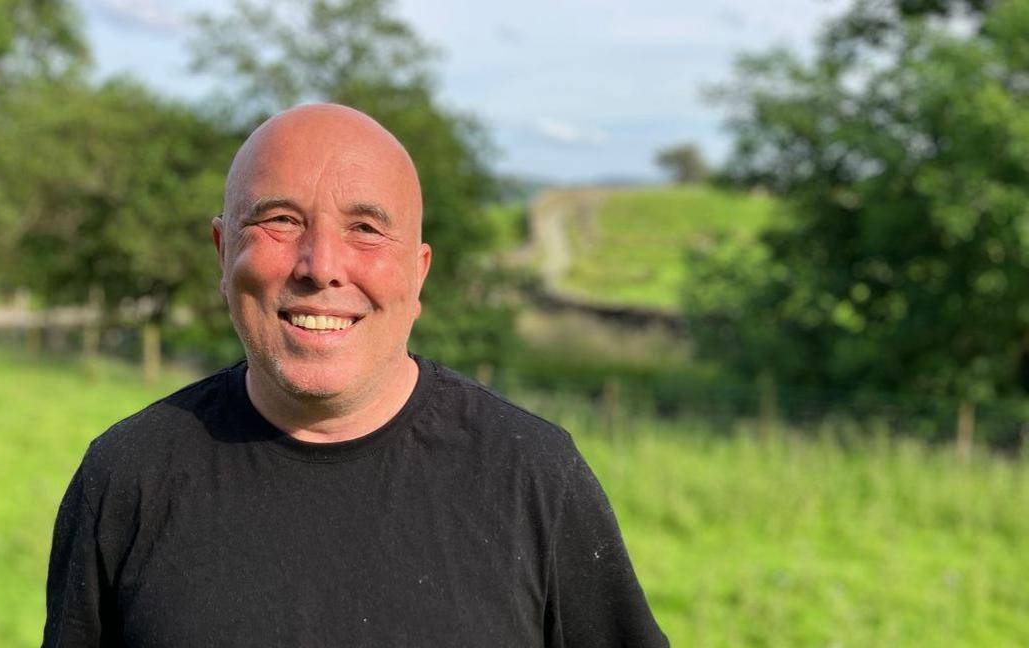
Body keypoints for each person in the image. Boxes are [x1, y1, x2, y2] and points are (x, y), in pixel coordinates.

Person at [42, 104, 669, 647]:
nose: (321, 267)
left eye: (366, 230)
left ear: (418, 273)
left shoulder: (534, 476)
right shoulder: (125, 481)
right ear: (223, 251)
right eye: (280, 221)